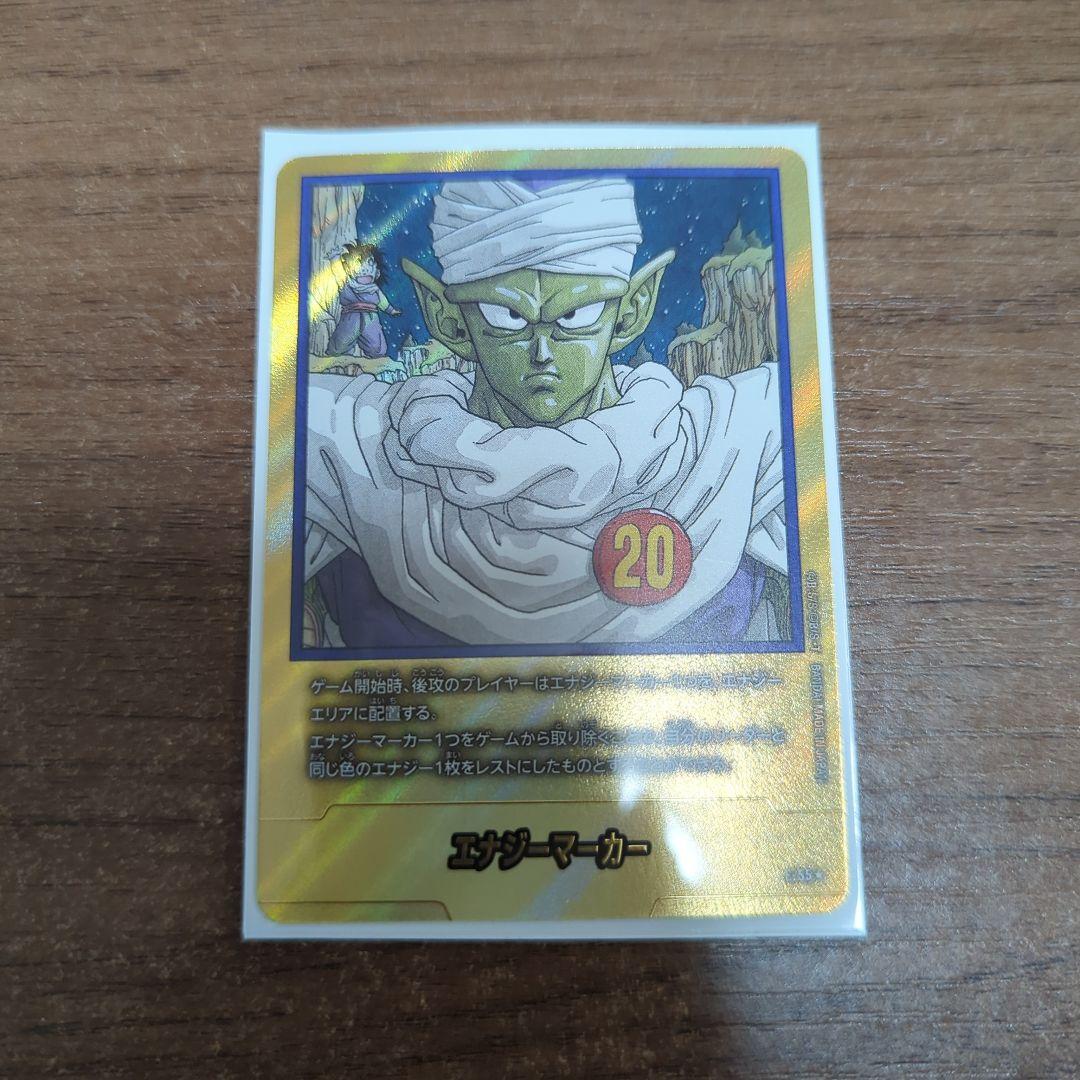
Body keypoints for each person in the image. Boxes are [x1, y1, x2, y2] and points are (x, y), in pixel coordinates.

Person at [304, 177, 786, 648]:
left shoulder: (725, 446)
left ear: (632, 311)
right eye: (507, 316)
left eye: (576, 315)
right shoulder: (356, 451)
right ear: (448, 319)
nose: (542, 352)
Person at [326, 241, 400, 359]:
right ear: (348, 269)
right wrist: (335, 258)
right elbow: (338, 273)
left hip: (371, 318)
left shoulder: (374, 289)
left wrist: (391, 310)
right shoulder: (346, 283)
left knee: (376, 345)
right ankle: (336, 355)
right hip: (351, 316)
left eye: (370, 263)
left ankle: (376, 358)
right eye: (359, 264)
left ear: (377, 272)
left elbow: (382, 301)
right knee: (341, 341)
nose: (365, 268)